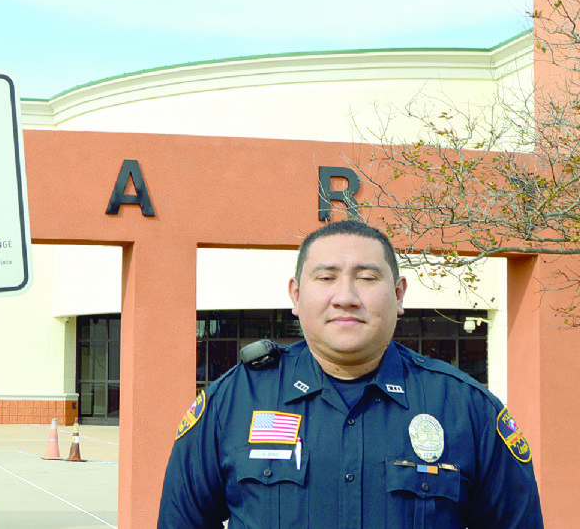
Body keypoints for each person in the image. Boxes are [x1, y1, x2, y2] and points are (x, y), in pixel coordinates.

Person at [157, 220, 543, 528]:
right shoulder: (232, 402)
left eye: (367, 277)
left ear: (399, 294)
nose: (345, 296)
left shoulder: (465, 408)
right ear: (295, 295)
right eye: (325, 278)